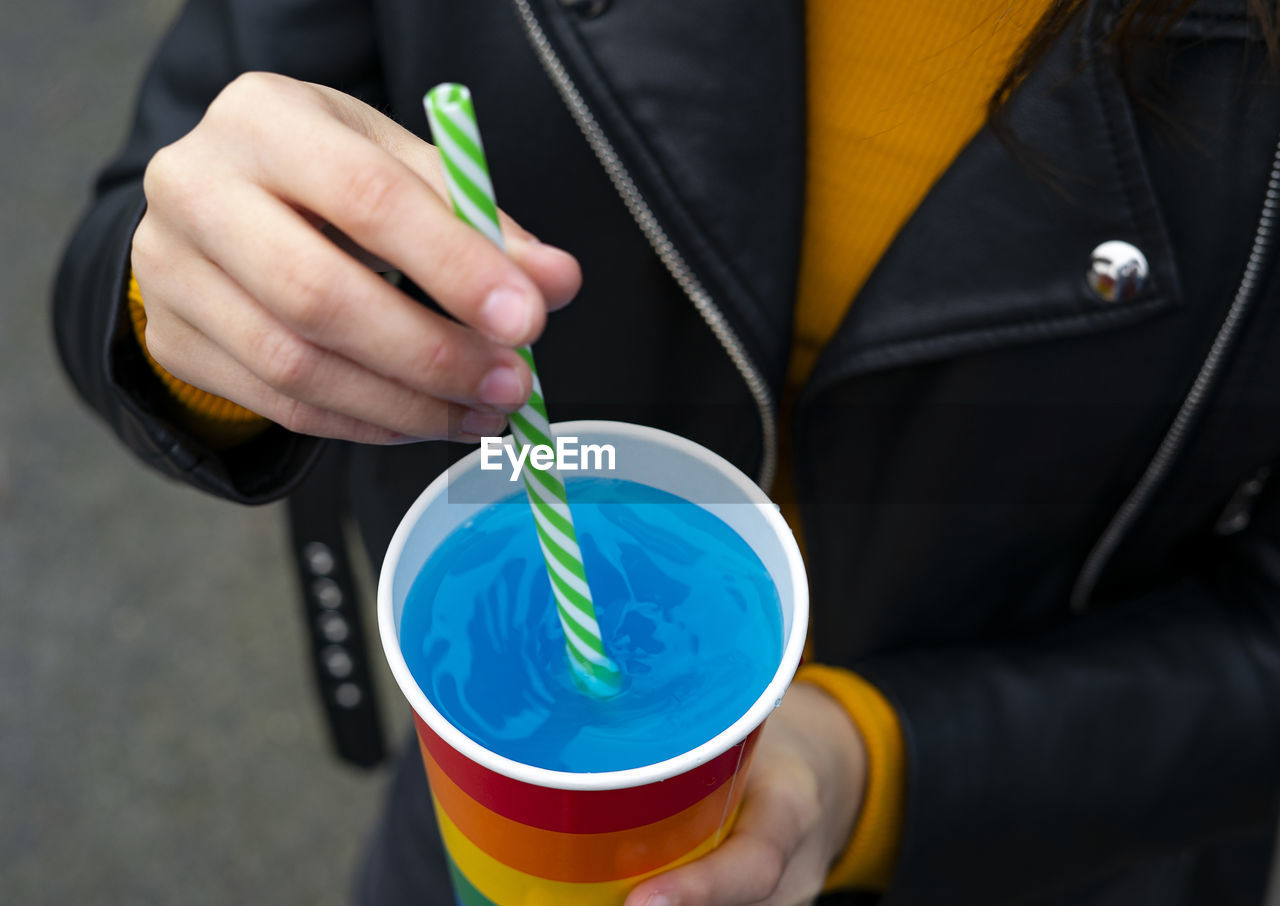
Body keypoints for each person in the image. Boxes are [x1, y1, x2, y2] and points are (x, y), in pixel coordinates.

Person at [52, 1, 1280, 904]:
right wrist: (201, 316)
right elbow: (125, 234)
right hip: (488, 813)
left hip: (1050, 852)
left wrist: (876, 759)